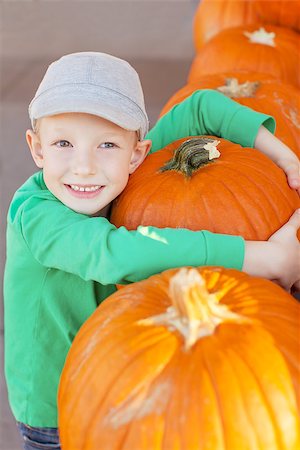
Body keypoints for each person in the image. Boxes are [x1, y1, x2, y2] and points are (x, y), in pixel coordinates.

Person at [4, 51, 300, 450]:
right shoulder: (36, 215)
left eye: (106, 144)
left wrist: (286, 157)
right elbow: (113, 254)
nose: (85, 166)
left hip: (118, 376)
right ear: (37, 149)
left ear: (138, 154)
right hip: (54, 406)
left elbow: (201, 105)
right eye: (63, 143)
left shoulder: (123, 170)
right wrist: (262, 257)